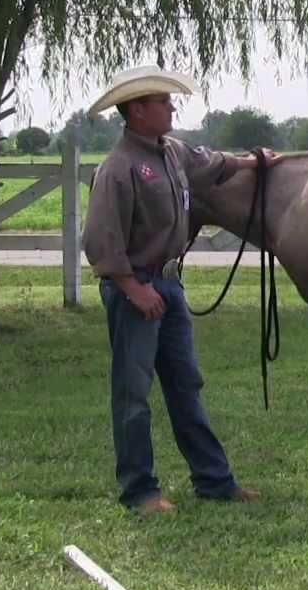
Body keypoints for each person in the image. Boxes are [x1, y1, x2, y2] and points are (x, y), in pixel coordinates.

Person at [83, 66, 282, 514]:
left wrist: (253, 161)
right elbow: (100, 240)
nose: (172, 107)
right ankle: (140, 492)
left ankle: (214, 481)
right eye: (162, 101)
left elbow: (211, 162)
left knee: (186, 385)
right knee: (133, 393)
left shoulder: (170, 153)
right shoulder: (118, 168)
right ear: (137, 110)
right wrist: (133, 289)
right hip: (139, 289)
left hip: (169, 288)